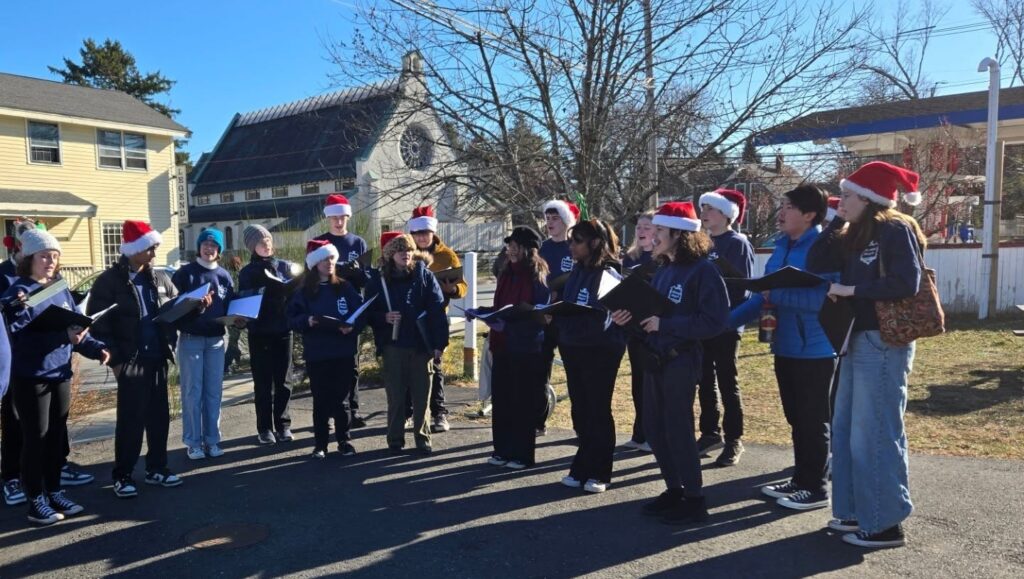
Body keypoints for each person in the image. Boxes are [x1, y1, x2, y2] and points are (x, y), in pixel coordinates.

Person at [821, 161, 925, 549]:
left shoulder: (895, 229)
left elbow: (906, 281)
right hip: (856, 338)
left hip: (883, 341)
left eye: (847, 195)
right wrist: (835, 223)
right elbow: (816, 261)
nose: (840, 200)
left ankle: (884, 522)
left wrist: (851, 291)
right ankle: (853, 512)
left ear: (869, 199)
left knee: (875, 431)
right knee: (847, 429)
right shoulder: (853, 233)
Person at [610, 201, 729, 525]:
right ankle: (674, 488)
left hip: (681, 360)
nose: (652, 235)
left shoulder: (703, 270)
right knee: (654, 427)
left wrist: (668, 326)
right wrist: (627, 319)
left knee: (677, 429)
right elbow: (651, 316)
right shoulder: (663, 269)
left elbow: (715, 321)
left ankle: (695, 497)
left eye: (660, 230)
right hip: (655, 359)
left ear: (680, 234)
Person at [729, 186, 838, 511]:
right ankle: (801, 479)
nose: (781, 212)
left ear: (809, 214)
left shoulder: (825, 247)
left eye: (788, 206)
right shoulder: (780, 246)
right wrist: (723, 323)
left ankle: (816, 489)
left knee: (812, 419)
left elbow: (825, 297)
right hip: (785, 344)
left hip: (815, 349)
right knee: (796, 418)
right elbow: (763, 296)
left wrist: (776, 297)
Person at [3, 229, 110, 525]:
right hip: (31, 375)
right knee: (34, 439)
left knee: (54, 438)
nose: (50, 261)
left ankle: (54, 490)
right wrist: (61, 335)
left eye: (54, 256)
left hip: (60, 371)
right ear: (29, 258)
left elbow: (76, 327)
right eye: (43, 256)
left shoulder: (58, 288)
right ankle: (35, 500)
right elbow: (19, 339)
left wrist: (96, 348)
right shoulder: (17, 292)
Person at [87, 221, 184, 499]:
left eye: (155, 248)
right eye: (150, 249)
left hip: (158, 358)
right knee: (130, 421)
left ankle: (157, 468)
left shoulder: (161, 278)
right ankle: (123, 474)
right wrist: (116, 362)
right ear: (134, 250)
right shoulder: (108, 282)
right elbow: (99, 324)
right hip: (130, 360)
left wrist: (196, 306)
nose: (154, 254)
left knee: (159, 418)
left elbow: (176, 309)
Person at [553, 218, 625, 494]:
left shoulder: (609, 274)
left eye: (577, 241)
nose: (571, 246)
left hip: (600, 351)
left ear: (595, 243)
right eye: (571, 241)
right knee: (580, 409)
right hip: (573, 348)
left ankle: (600, 470)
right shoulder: (577, 271)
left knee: (597, 409)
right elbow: (569, 305)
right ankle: (582, 464)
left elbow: (608, 316)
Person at [471, 226, 549, 470]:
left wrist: (510, 326)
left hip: (526, 347)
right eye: (509, 246)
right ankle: (502, 449)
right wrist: (481, 313)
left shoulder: (538, 275)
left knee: (521, 401)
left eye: (516, 246)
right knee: (502, 399)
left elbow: (539, 316)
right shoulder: (506, 272)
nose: (511, 250)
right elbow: (500, 306)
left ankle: (522, 454)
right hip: (502, 345)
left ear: (528, 250)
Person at [366, 233, 449, 455]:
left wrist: (440, 343)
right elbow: (367, 313)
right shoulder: (378, 280)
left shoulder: (424, 276)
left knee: (422, 396)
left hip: (421, 346)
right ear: (390, 254)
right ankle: (394, 440)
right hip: (393, 346)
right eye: (400, 250)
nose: (406, 254)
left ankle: (423, 439)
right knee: (395, 396)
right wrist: (384, 317)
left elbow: (437, 312)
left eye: (409, 249)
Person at [288, 240, 365, 459]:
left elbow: (361, 313)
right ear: (314, 264)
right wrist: (308, 320)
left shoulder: (344, 286)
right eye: (324, 259)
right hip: (318, 352)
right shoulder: (304, 291)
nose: (329, 262)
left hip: (343, 351)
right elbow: (292, 318)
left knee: (342, 400)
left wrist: (352, 327)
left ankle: (344, 441)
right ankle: (320, 444)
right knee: (321, 400)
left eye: (331, 258)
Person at [696, 189, 755, 466]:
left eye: (711, 209)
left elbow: (741, 286)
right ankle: (709, 432)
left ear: (727, 214)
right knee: (704, 381)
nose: (705, 213)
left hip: (726, 325)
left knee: (727, 381)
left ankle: (734, 439)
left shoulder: (737, 242)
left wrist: (721, 313)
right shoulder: (701, 241)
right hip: (702, 324)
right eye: (703, 208)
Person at [171, 228, 238, 460]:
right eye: (206, 244)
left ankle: (212, 440)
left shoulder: (224, 276)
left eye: (214, 245)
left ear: (219, 250)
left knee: (213, 392)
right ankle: (193, 442)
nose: (210, 248)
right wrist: (196, 307)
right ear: (199, 247)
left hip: (216, 340)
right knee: (192, 392)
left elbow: (230, 306)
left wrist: (239, 318)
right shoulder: (185, 274)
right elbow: (174, 308)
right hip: (191, 338)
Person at [406, 205, 467, 434]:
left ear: (432, 232)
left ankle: (439, 412)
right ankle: (408, 412)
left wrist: (452, 289)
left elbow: (463, 287)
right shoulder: (406, 251)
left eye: (425, 233)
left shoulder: (446, 254)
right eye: (417, 233)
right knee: (410, 364)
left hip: (435, 317)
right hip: (411, 316)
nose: (421, 237)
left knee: (435, 365)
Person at [238, 225, 298, 445]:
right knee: (262, 383)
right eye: (261, 241)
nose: (267, 244)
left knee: (284, 381)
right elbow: (244, 302)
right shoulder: (247, 272)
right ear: (252, 246)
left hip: (283, 329)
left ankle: (283, 425)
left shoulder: (285, 266)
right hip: (260, 332)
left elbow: (297, 295)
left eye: (268, 240)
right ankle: (264, 428)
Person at [314, 193, 369, 428]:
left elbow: (367, 276)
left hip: (351, 308)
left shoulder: (357, 243)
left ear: (348, 217)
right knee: (326, 365)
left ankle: (352, 411)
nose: (338, 222)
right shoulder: (321, 242)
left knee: (351, 365)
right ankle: (326, 412)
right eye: (334, 218)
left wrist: (358, 272)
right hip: (327, 308)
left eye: (342, 218)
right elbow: (313, 276)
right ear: (328, 219)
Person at [537, 199, 581, 436]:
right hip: (544, 319)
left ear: (566, 221)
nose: (550, 223)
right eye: (548, 218)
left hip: (566, 319)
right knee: (540, 372)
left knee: (575, 374)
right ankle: (538, 420)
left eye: (555, 218)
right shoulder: (542, 248)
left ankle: (579, 425)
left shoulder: (574, 248)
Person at [621, 211, 655, 452]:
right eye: (639, 227)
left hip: (655, 327)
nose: (642, 231)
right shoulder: (629, 258)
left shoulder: (663, 258)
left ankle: (654, 434)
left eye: (647, 226)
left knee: (653, 383)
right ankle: (639, 433)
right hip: (633, 327)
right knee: (638, 383)